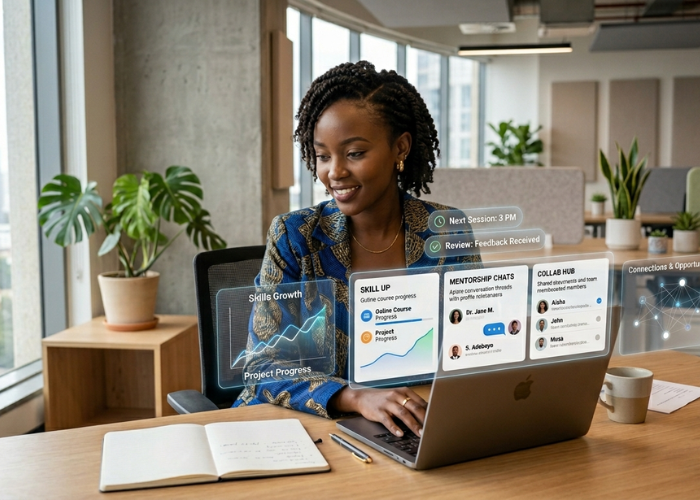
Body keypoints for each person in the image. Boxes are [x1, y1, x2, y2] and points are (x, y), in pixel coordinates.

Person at [234, 61, 481, 438]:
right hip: (307, 430)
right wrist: (354, 396)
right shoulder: (295, 236)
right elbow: (263, 365)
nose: (335, 172)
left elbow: (477, 342)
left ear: (400, 147)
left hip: (414, 426)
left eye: (354, 153)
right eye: (322, 156)